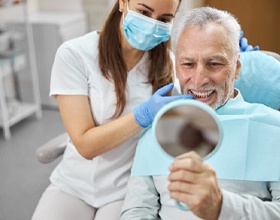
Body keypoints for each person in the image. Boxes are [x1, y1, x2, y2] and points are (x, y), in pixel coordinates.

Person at [31, 0, 192, 219]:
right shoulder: (75, 55)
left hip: (127, 188)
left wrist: (231, 58)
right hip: (73, 184)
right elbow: (86, 146)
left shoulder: (168, 66)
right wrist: (142, 115)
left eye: (164, 20)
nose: (152, 24)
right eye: (144, 12)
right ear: (123, 3)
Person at [120, 7, 280, 220]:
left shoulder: (273, 129)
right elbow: (137, 210)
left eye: (214, 64)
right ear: (176, 67)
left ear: (237, 67)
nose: (199, 79)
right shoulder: (157, 129)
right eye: (188, 64)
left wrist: (222, 207)